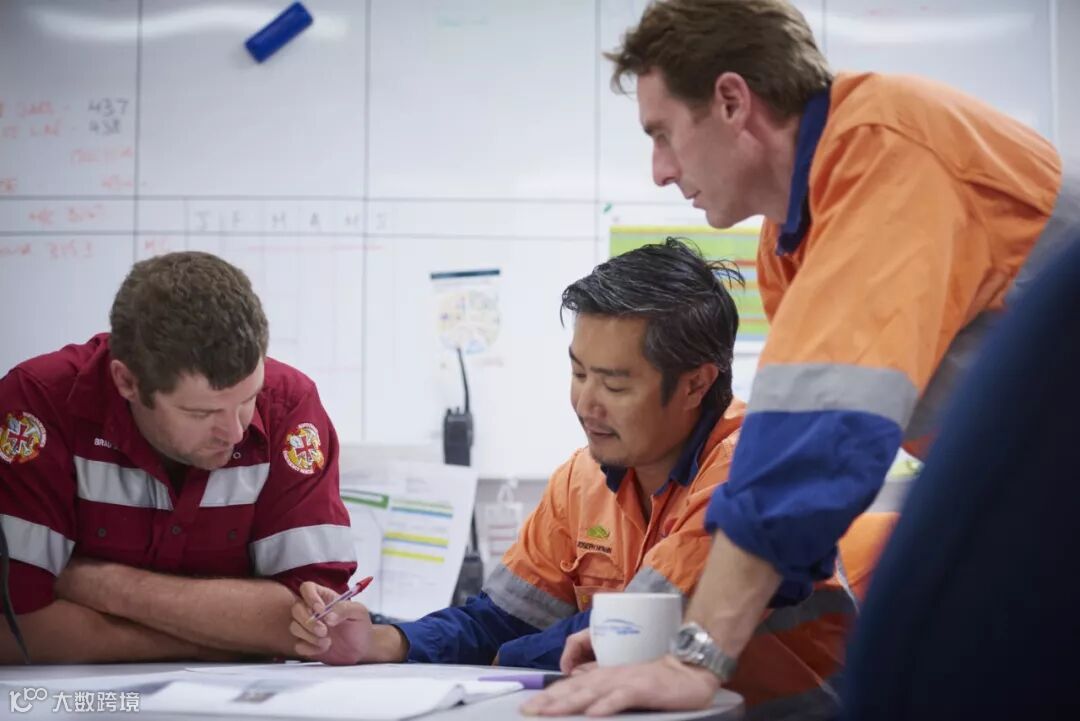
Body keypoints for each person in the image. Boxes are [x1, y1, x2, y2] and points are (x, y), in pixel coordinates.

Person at [522, 0, 1080, 717]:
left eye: (662, 134)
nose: (659, 170)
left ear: (732, 102)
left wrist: (695, 655)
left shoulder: (886, 148)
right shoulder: (789, 242)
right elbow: (781, 465)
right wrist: (665, 627)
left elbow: (813, 445)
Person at [288, 239, 858, 702]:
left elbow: (628, 632)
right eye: (579, 373)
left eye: (614, 384)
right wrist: (385, 640)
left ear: (695, 384)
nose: (586, 403)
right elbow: (500, 621)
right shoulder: (581, 480)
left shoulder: (747, 471)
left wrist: (497, 659)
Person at [0, 251, 357, 664]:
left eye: (249, 399)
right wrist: (236, 638)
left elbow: (320, 620)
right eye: (201, 413)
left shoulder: (289, 404)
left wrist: (108, 587)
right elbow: (16, 628)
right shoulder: (37, 405)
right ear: (127, 382)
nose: (236, 432)